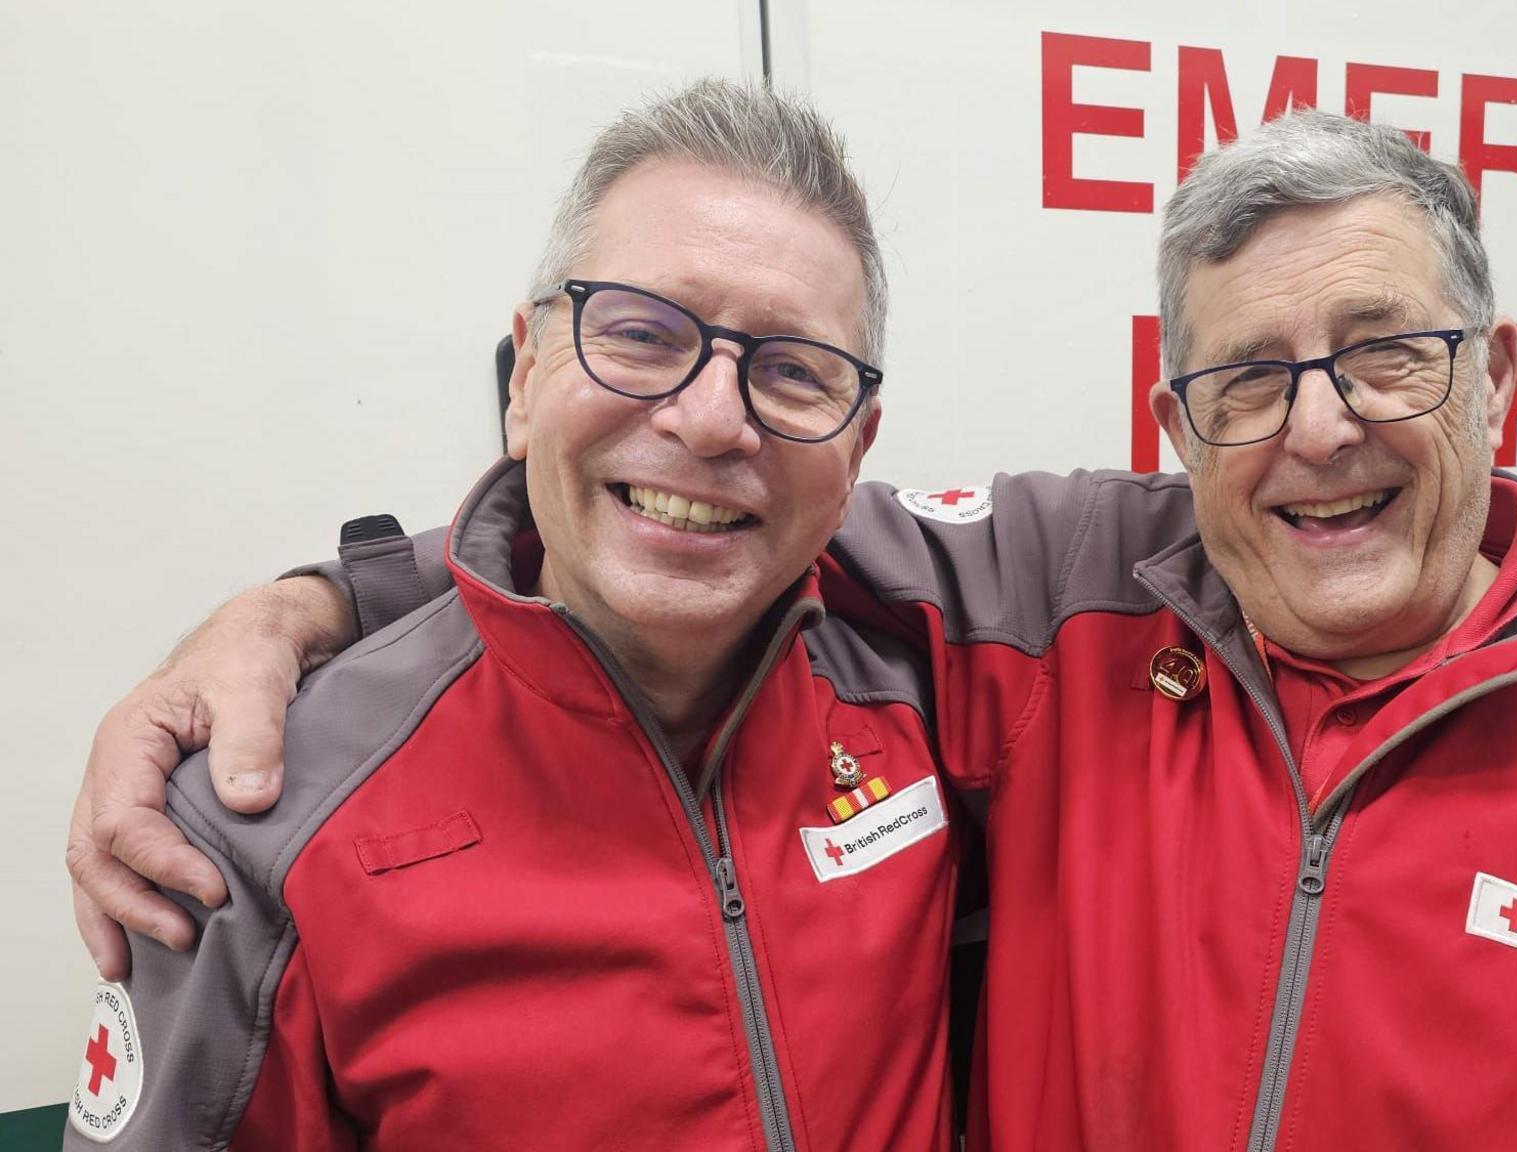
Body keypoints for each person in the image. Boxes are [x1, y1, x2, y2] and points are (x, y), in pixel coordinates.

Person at [71, 109, 1517, 1149]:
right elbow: (676, 525)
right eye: (1244, 379)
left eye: (1384, 356)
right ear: (1176, 425)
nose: (1320, 426)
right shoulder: (1067, 619)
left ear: (1498, 378)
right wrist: (325, 603)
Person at [61, 81, 962, 1150]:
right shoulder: (265, 818)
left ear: (857, 448)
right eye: (640, 333)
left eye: (796, 372)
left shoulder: (936, 697)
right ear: (526, 374)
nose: (714, 420)